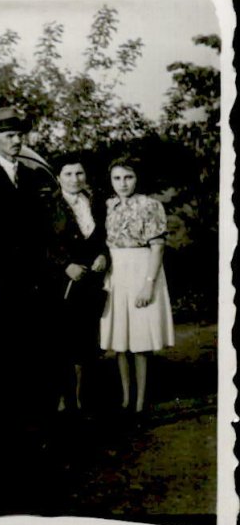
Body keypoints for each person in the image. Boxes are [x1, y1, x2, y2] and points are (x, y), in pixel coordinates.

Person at [0, 106, 56, 426]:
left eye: (19, 135)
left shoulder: (32, 176)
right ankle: (0, 423)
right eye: (9, 136)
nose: (17, 141)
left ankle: (32, 419)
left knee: (31, 348)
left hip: (31, 278)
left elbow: (45, 227)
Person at [100, 157, 175, 414]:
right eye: (117, 178)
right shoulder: (108, 206)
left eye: (128, 177)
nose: (123, 183)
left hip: (142, 269)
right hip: (116, 272)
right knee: (121, 341)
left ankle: (141, 402)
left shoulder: (150, 205)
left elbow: (157, 248)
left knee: (141, 341)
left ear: (137, 178)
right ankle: (125, 398)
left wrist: (148, 285)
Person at [47, 154, 108, 413]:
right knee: (62, 339)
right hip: (60, 281)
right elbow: (41, 243)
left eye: (79, 174)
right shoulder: (48, 205)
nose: (75, 179)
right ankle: (63, 396)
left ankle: (84, 398)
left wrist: (103, 255)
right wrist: (65, 265)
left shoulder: (95, 203)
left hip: (91, 280)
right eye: (69, 174)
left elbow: (104, 235)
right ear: (59, 177)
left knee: (87, 339)